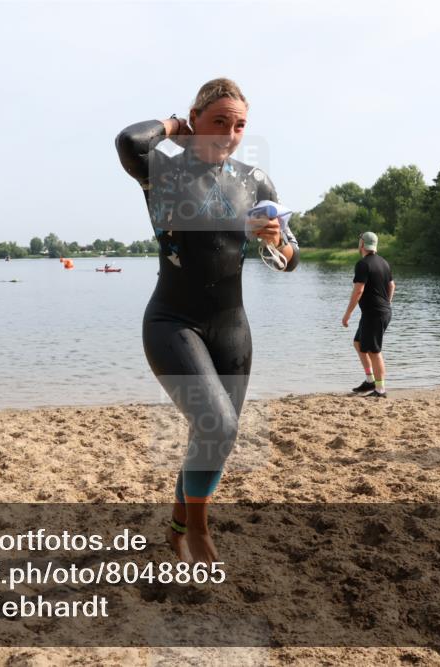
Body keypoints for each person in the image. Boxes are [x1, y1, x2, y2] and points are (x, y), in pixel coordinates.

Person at [115, 78, 299, 564]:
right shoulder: (163, 172)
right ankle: (198, 529)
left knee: (216, 435)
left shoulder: (255, 180)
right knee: (216, 425)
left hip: (232, 328)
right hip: (173, 321)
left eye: (240, 125)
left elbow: (293, 255)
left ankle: (177, 524)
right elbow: (130, 141)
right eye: (219, 121)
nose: (230, 133)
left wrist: (276, 241)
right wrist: (176, 128)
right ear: (196, 119)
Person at [341, 232, 394, 398]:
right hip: (376, 312)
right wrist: (387, 303)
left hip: (375, 314)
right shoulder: (384, 262)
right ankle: (370, 381)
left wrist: (347, 314)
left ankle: (380, 390)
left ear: (362, 244)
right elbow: (392, 285)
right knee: (358, 343)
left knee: (374, 351)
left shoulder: (363, 264)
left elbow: (358, 291)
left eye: (359, 241)